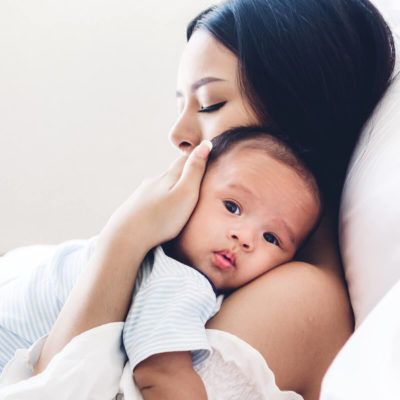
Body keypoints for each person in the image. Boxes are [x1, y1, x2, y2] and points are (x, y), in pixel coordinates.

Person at [5, 0, 395, 399]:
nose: (178, 134)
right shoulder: (213, 260)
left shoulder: (300, 298)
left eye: (209, 103)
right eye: (181, 105)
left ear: (299, 113)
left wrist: (124, 238)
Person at [0, 127, 321, 400]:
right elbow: (160, 372)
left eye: (271, 238)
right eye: (232, 207)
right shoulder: (179, 277)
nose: (245, 237)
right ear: (188, 189)